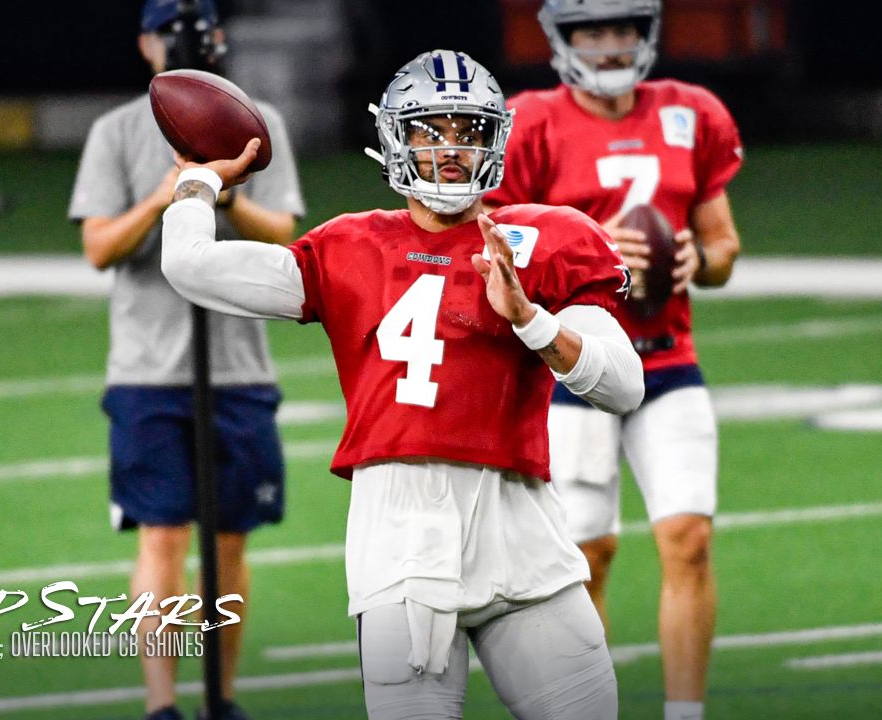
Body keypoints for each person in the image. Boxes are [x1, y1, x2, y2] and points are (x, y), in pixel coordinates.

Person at [160, 49, 644, 720]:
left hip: (521, 529)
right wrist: (197, 183)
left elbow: (623, 385)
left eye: (468, 131)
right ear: (395, 137)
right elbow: (190, 265)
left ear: (494, 139)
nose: (450, 149)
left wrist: (530, 319)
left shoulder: (550, 238)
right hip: (400, 542)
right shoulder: (348, 246)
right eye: (430, 130)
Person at [483, 2, 744, 718]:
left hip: (668, 358)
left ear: (645, 33)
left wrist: (699, 257)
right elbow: (496, 250)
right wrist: (588, 246)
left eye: (621, 29)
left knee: (688, 539)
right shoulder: (530, 122)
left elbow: (723, 244)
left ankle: (684, 714)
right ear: (562, 40)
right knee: (585, 557)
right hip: (574, 369)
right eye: (591, 32)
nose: (608, 46)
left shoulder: (690, 113)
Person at [66, 1, 305, 718]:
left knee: (230, 541)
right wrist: (169, 197)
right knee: (163, 534)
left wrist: (219, 192)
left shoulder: (256, 122)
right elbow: (101, 248)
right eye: (169, 31)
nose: (184, 43)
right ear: (145, 43)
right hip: (149, 367)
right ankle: (162, 704)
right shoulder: (115, 130)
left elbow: (283, 231)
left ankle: (222, 698)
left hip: (237, 362)